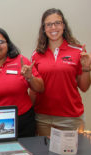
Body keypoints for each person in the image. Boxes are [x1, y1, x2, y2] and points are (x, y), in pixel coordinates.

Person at [0, 27, 44, 137]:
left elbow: (40, 88)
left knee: (25, 152)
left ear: (8, 44)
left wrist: (30, 77)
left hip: (22, 121)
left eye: (0, 42)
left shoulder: (22, 61)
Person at [31, 8, 91, 136]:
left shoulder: (78, 51)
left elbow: (84, 87)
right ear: (44, 28)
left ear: (63, 25)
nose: (53, 27)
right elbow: (34, 90)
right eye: (49, 24)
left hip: (71, 118)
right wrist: (29, 114)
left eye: (57, 23)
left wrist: (86, 68)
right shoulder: (36, 55)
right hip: (43, 118)